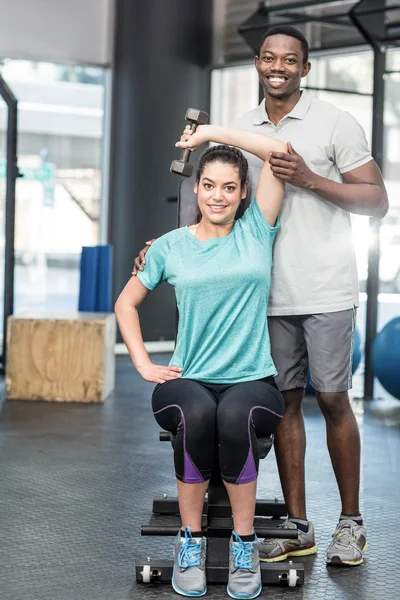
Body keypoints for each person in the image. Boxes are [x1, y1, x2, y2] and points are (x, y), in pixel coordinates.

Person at [133, 25, 389, 568]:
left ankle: (351, 523)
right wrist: (165, 248)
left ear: (305, 68)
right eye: (269, 58)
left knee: (335, 400)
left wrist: (313, 180)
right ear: (256, 63)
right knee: (288, 405)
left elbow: (377, 202)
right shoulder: (241, 128)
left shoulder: (335, 121)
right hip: (263, 296)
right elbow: (214, 199)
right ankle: (299, 527)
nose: (279, 67)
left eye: (290, 59)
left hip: (323, 288)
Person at [116, 124, 288, 599]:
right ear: (196, 189)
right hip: (187, 376)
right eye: (209, 185)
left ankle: (244, 544)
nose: (218, 196)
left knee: (235, 415)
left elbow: (280, 151)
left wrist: (209, 133)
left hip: (253, 378)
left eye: (229, 187)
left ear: (243, 191)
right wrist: (144, 364)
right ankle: (189, 540)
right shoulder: (169, 246)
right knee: (197, 413)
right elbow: (125, 304)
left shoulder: (257, 229)